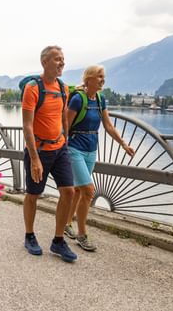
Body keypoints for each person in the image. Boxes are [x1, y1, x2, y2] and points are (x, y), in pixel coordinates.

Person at [64, 65, 135, 251]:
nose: (103, 80)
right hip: (74, 148)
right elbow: (66, 125)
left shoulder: (101, 100)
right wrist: (62, 149)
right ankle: (82, 234)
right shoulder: (78, 99)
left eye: (104, 77)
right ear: (88, 79)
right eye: (99, 77)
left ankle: (65, 224)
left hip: (91, 149)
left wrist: (124, 144)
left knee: (79, 191)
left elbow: (109, 126)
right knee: (88, 190)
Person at [22, 45, 77, 263]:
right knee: (34, 194)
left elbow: (63, 117)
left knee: (69, 192)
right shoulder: (33, 88)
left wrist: (66, 139)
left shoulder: (64, 88)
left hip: (60, 148)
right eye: (57, 59)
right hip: (39, 150)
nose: (62, 63)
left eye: (63, 59)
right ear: (44, 62)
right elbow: (27, 125)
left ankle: (58, 240)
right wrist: (34, 158)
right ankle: (29, 235)